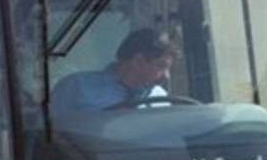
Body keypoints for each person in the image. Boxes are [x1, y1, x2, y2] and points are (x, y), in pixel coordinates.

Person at [51, 28, 179, 112]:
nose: (167, 76)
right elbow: (51, 138)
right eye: (161, 66)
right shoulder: (75, 88)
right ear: (138, 61)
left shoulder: (159, 96)